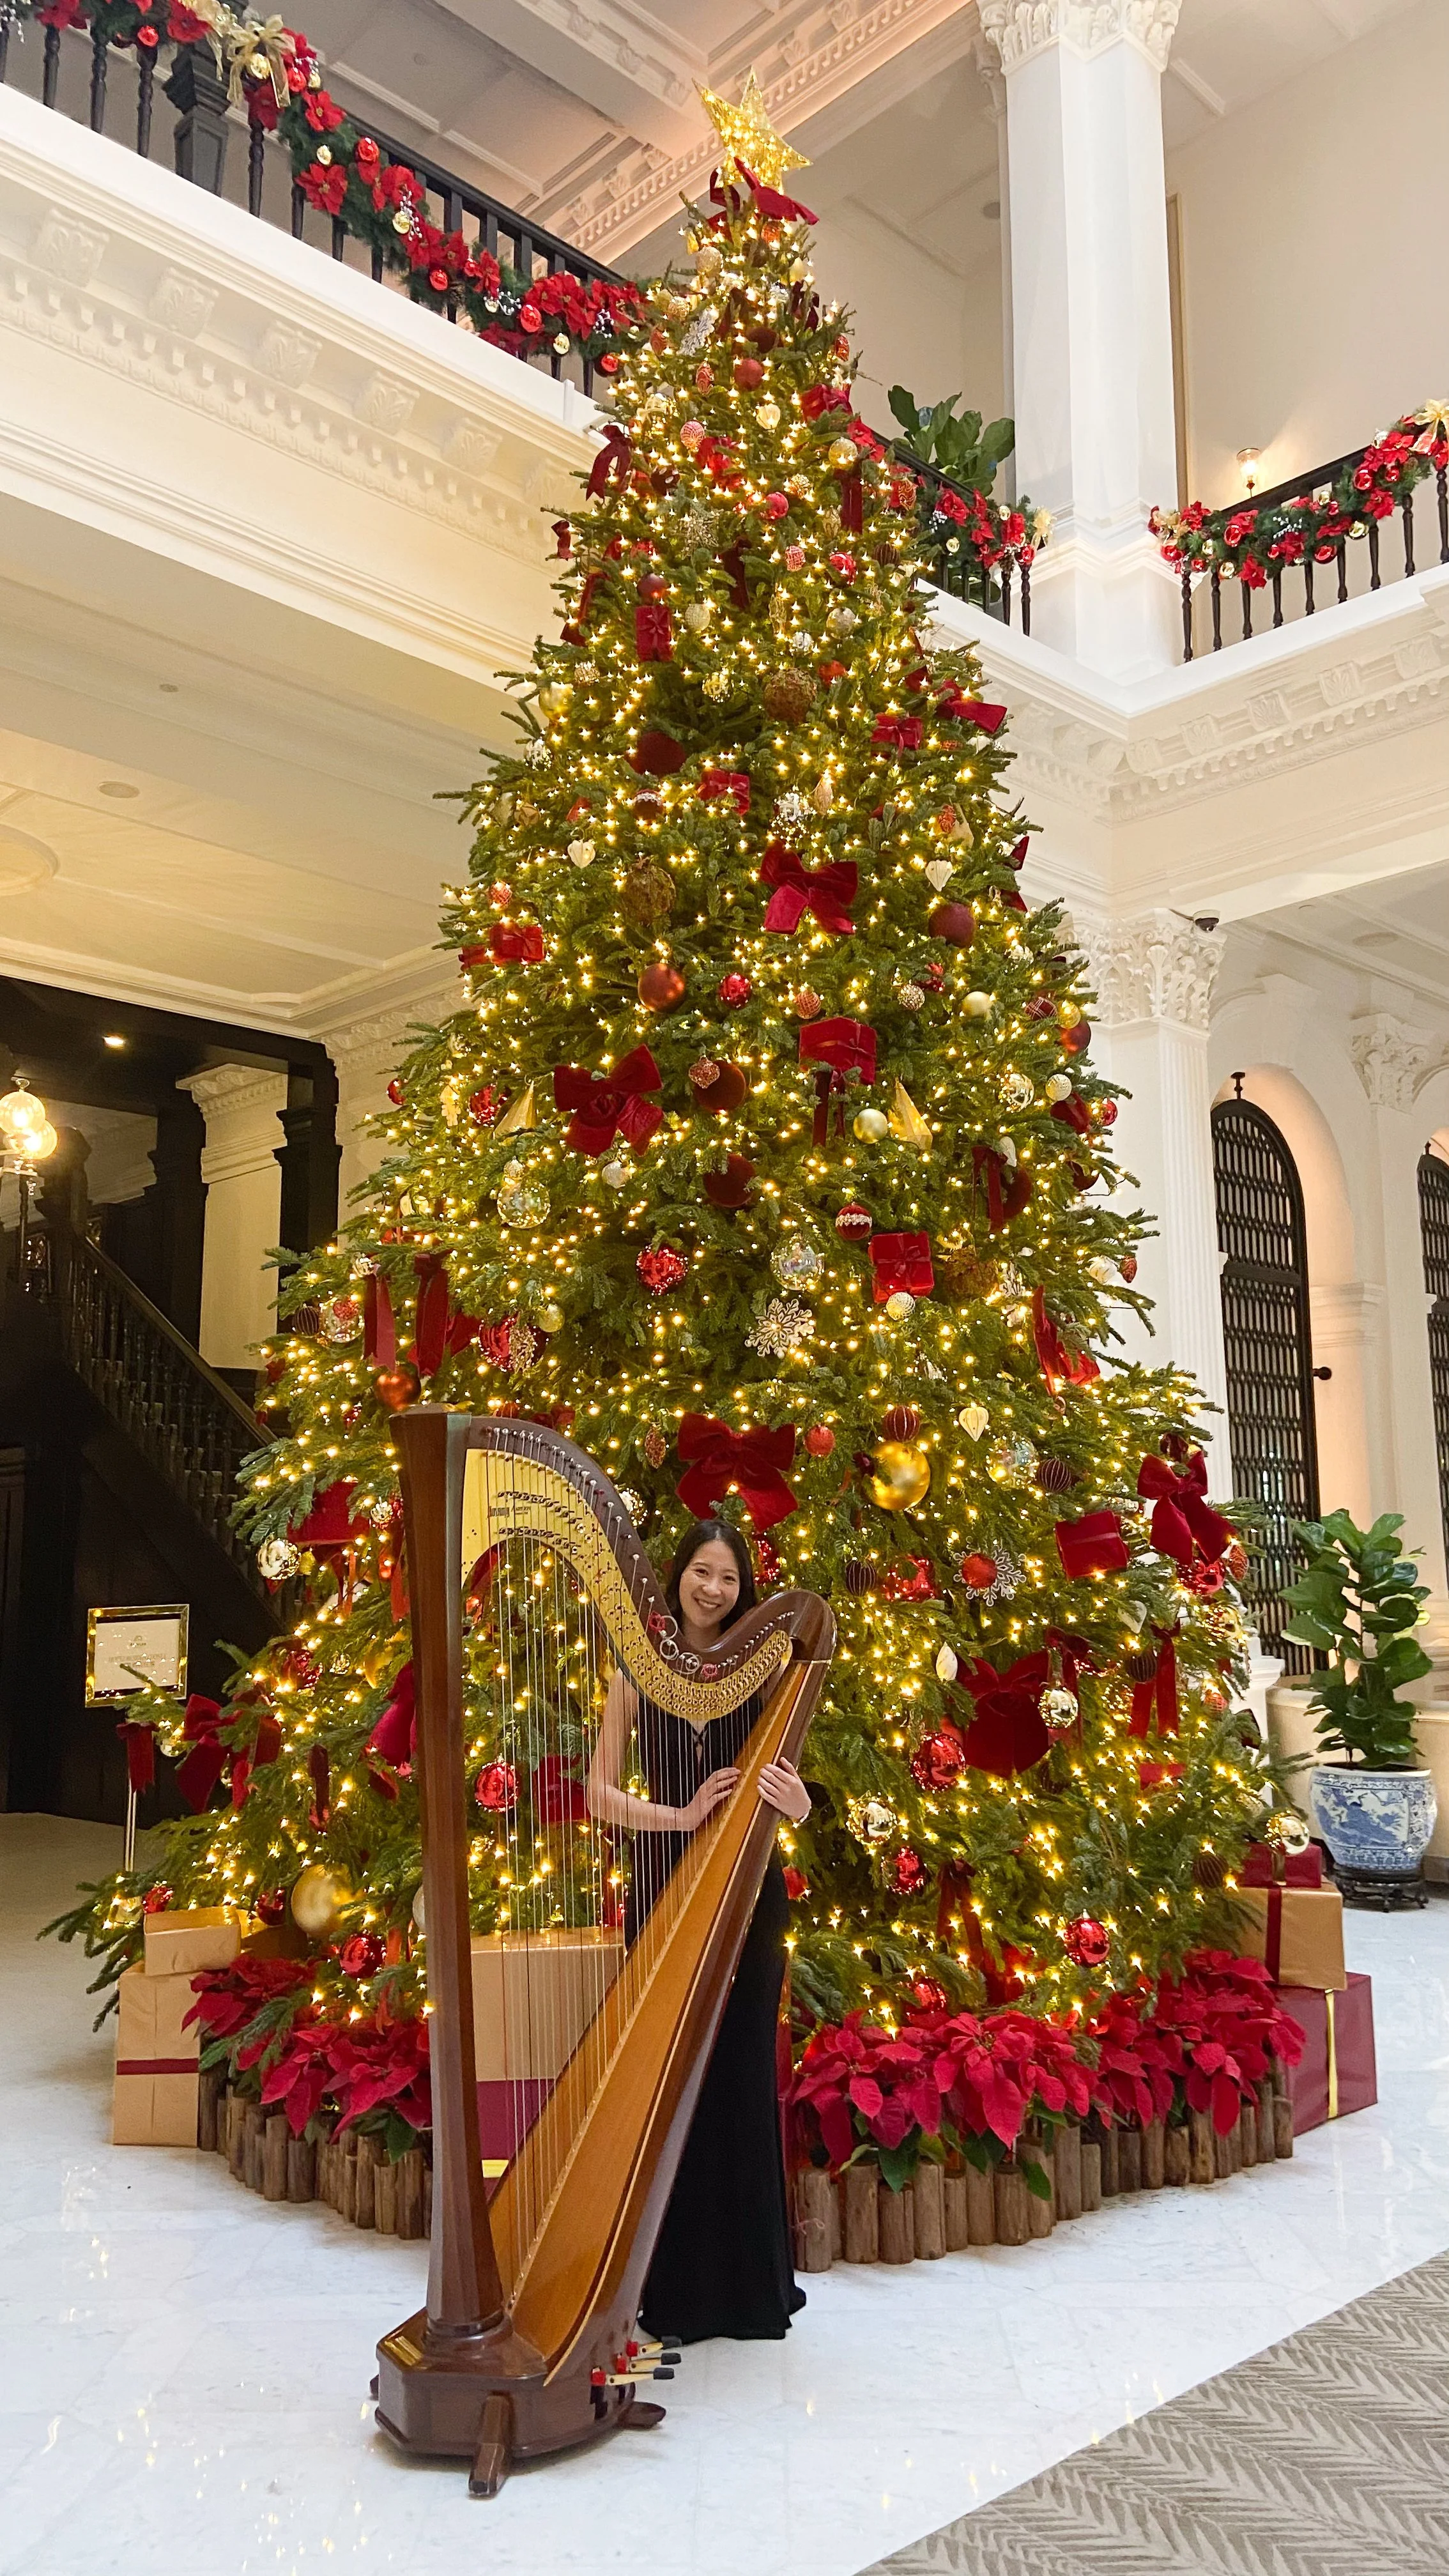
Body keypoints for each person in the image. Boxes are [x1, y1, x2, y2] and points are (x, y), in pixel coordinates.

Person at [585, 1517, 811, 2343]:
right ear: (677, 1576)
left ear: (741, 1587)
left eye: (727, 1576)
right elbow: (597, 1794)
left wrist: (802, 1805)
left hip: (749, 1894)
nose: (713, 1588)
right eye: (701, 1572)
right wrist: (679, 1817)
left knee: (743, 2077)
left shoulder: (763, 1673)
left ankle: (753, 2292)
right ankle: (674, 2290)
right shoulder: (635, 1672)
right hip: (661, 1890)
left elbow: (791, 1784)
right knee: (668, 2085)